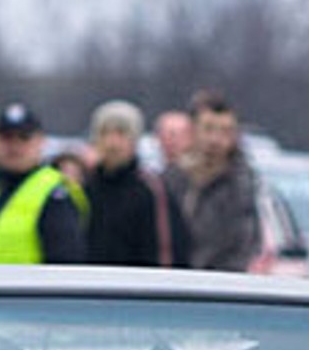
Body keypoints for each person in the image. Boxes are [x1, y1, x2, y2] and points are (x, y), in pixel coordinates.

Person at [0, 103, 84, 265]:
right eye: (6, 138)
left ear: (41, 141)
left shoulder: (55, 194)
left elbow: (65, 266)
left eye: (24, 138)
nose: (14, 146)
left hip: (30, 290)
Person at [84, 100, 183, 268]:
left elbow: (166, 253)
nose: (112, 143)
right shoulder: (84, 188)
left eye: (121, 133)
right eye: (104, 133)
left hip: (136, 289)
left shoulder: (152, 190)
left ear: (135, 140)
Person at [167, 94, 259, 273]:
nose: (215, 140)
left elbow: (243, 244)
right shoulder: (171, 179)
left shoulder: (242, 186)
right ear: (193, 131)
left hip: (221, 285)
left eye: (225, 131)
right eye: (208, 129)